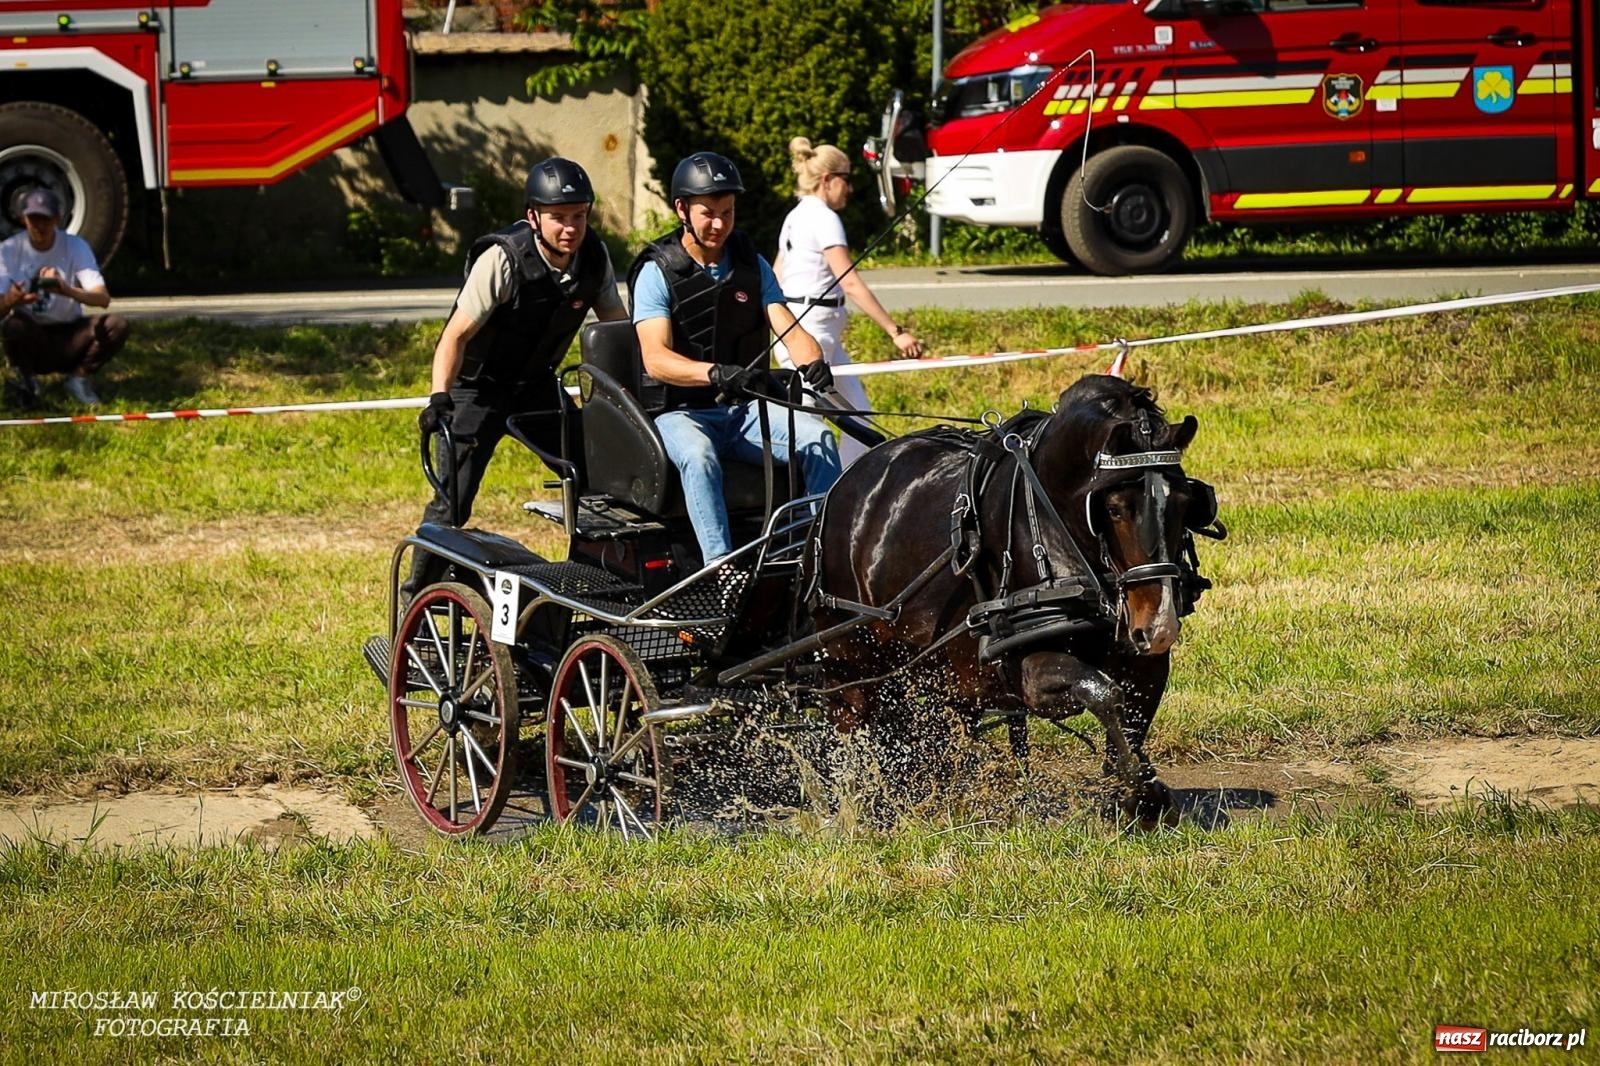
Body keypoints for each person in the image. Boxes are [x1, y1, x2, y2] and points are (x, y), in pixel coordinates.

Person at [405, 156, 627, 597]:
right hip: (477, 390)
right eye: (558, 218)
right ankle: (417, 602)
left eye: (579, 216)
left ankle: (599, 582)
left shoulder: (594, 258)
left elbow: (620, 333)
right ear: (533, 217)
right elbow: (454, 337)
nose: (570, 228)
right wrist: (438, 398)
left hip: (536, 387)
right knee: (452, 502)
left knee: (598, 474)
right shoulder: (502, 260)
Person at [631, 150, 842, 565]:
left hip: (744, 412)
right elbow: (655, 359)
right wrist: (714, 373)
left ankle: (815, 558)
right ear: (681, 210)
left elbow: (786, 326)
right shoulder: (658, 271)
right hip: (680, 413)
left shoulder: (751, 264)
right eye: (708, 213)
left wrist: (812, 359)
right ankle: (720, 569)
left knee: (819, 438)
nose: (719, 224)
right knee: (698, 456)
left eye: (727, 212)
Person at [774, 137, 924, 465]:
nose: (850, 189)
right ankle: (808, 502)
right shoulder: (824, 218)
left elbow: (777, 273)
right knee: (808, 429)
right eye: (847, 178)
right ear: (827, 180)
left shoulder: (795, 215)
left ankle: (839, 491)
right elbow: (851, 282)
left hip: (815, 333)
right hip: (812, 334)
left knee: (861, 421)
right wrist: (895, 331)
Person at [0, 188, 130, 407]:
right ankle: (27, 380)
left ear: (58, 219)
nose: (40, 226)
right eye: (34, 219)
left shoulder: (75, 246)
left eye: (46, 219)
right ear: (24, 219)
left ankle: (79, 378)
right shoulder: (8, 250)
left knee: (117, 324)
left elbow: (102, 298)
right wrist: (11, 300)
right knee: (12, 326)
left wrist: (67, 290)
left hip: (71, 336)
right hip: (33, 336)